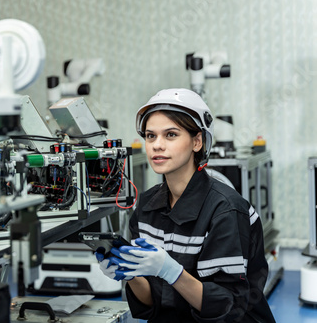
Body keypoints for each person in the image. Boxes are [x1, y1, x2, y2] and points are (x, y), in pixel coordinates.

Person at [97, 88, 276, 322]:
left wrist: (171, 272)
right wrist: (130, 274)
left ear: (197, 141)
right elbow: (154, 304)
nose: (156, 145)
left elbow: (228, 308)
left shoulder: (226, 210)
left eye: (170, 135)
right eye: (150, 136)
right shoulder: (147, 207)